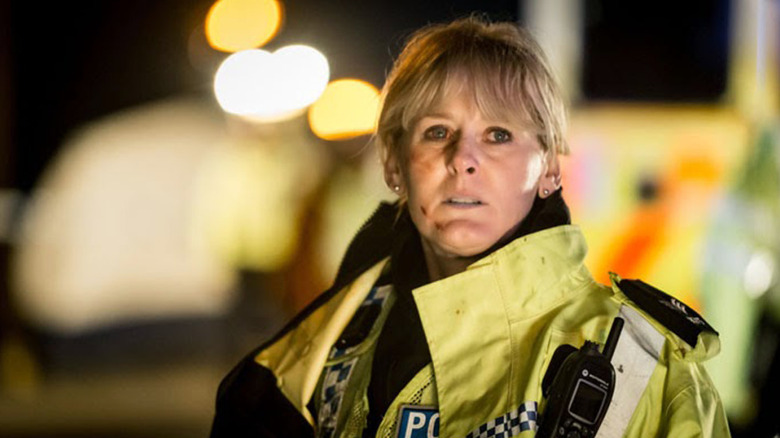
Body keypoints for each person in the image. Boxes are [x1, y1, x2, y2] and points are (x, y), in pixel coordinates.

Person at [210, 16, 730, 438]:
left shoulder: (652, 378)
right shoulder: (329, 347)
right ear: (393, 164)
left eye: (499, 134)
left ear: (550, 168)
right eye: (437, 132)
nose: (463, 159)